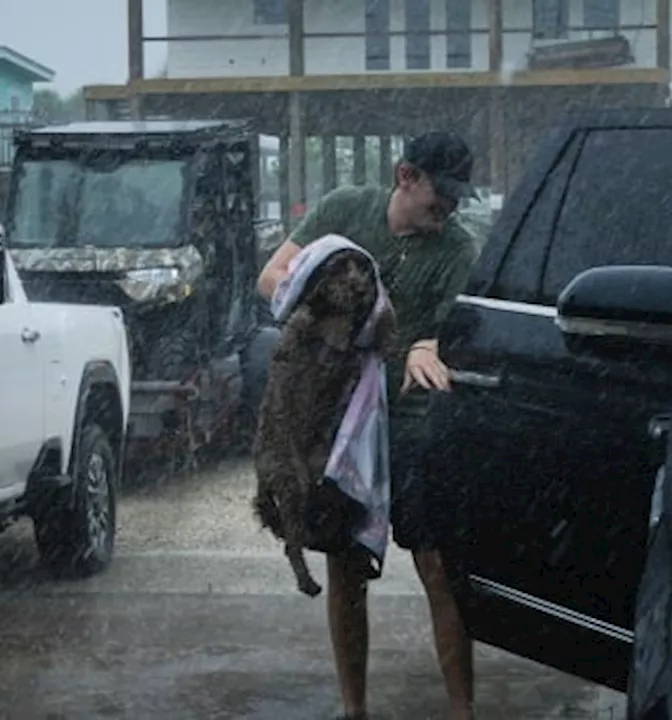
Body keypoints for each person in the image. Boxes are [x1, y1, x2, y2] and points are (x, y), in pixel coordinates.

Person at [256, 130, 483, 720]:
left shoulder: (458, 251)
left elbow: (446, 332)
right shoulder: (344, 211)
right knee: (345, 566)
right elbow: (272, 276)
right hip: (339, 424)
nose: (450, 207)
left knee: (438, 565)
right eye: (442, 193)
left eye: (459, 197)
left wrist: (426, 348)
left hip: (410, 426)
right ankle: (354, 709)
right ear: (406, 177)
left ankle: (463, 710)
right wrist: (328, 304)